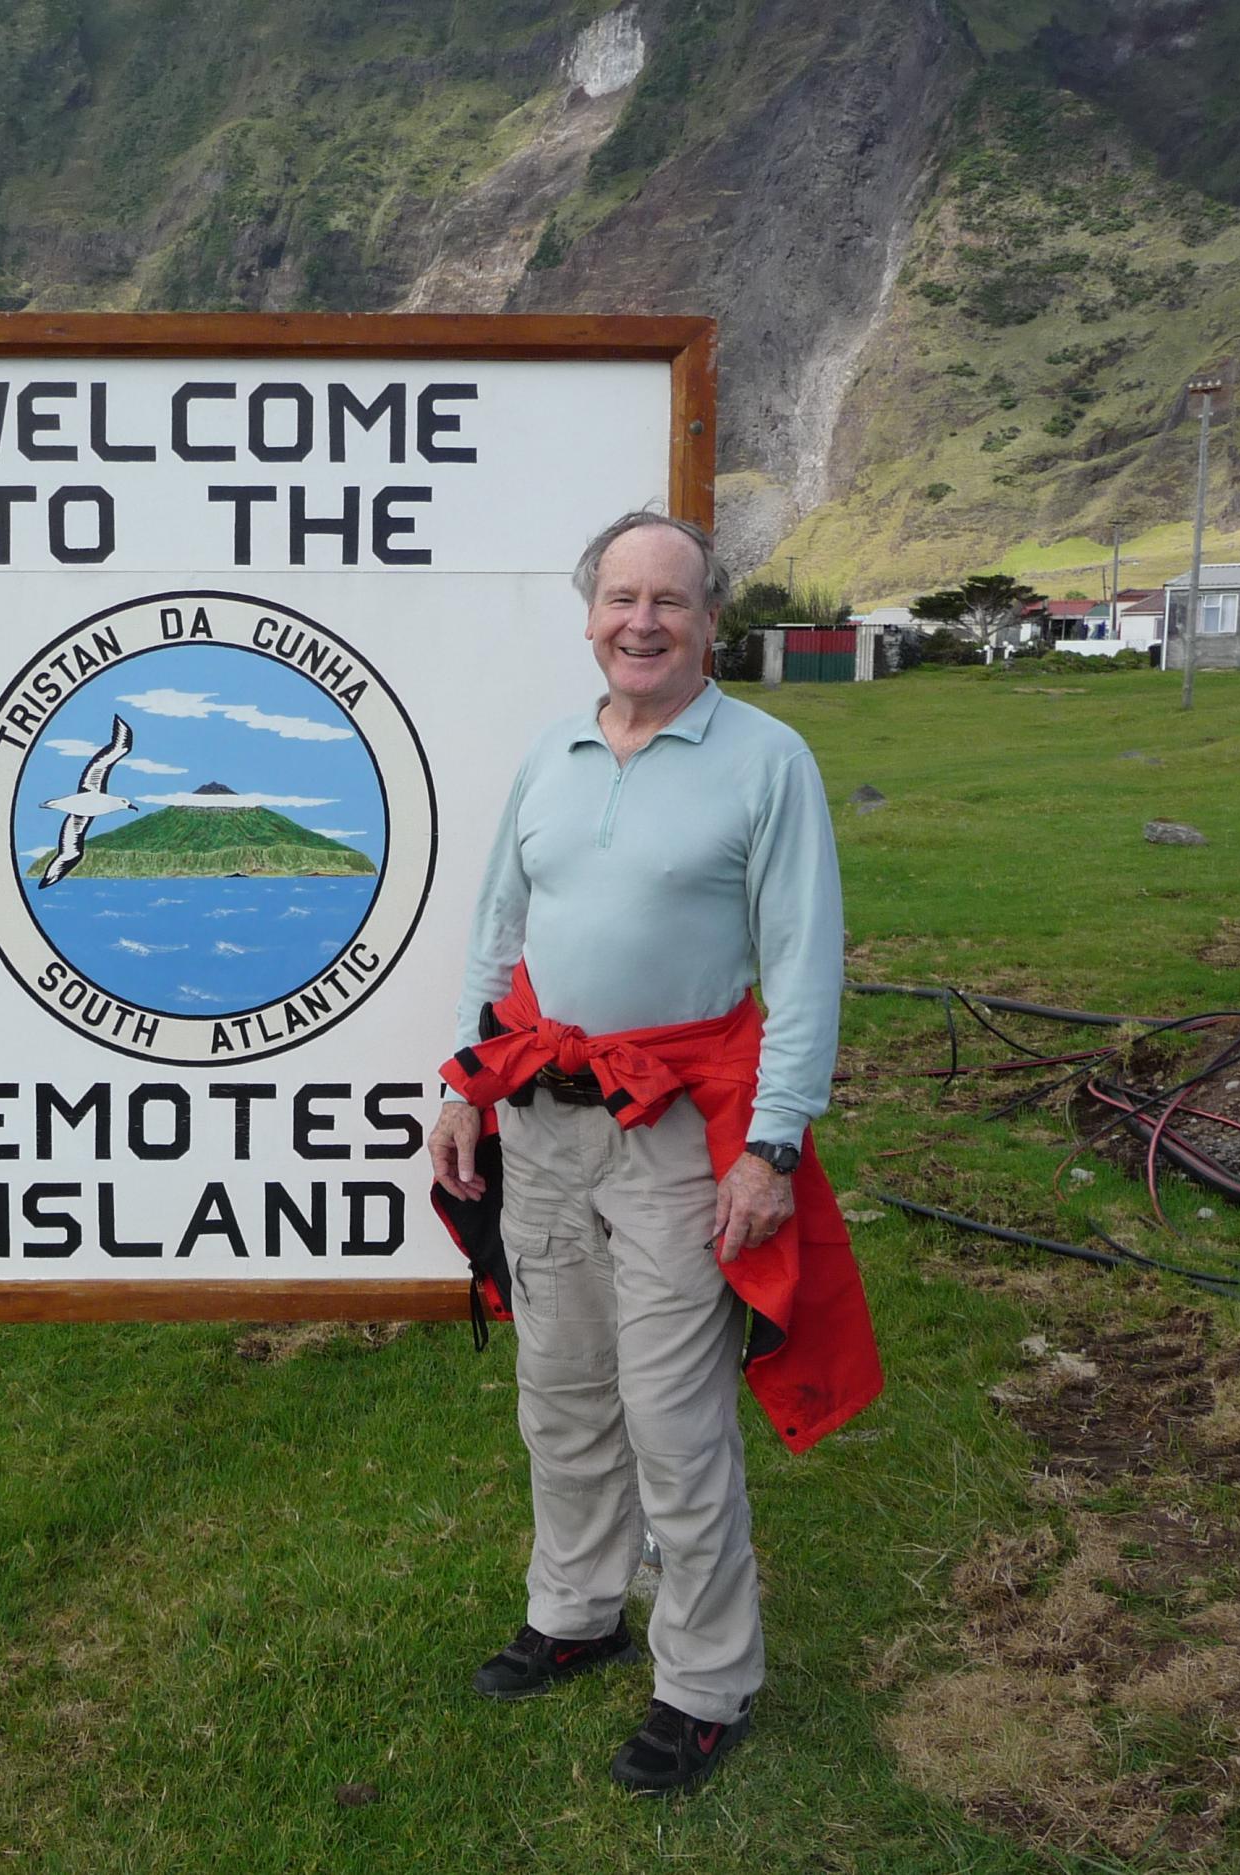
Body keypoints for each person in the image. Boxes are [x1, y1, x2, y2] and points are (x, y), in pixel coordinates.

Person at [428, 510, 882, 1795]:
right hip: (542, 1118)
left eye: (668, 602)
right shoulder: (553, 754)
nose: (642, 621)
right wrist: (466, 1083)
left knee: (674, 1418)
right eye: (620, 598)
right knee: (560, 1390)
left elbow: (803, 965)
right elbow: (495, 927)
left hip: (685, 1134)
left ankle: (704, 1684)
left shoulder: (766, 760)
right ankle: (576, 1612)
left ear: (707, 622)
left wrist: (773, 1149)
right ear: (589, 616)